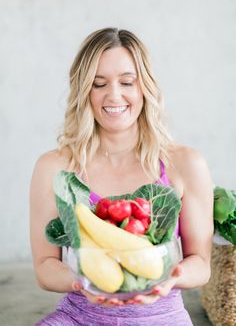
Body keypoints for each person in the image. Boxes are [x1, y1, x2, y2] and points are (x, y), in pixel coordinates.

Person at [30, 27, 214, 326]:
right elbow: (44, 267)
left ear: (145, 87)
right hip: (79, 316)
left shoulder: (185, 163)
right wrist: (84, 282)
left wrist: (169, 279)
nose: (113, 95)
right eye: (98, 84)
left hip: (161, 317)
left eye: (127, 81)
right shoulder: (54, 167)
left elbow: (201, 265)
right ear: (83, 91)